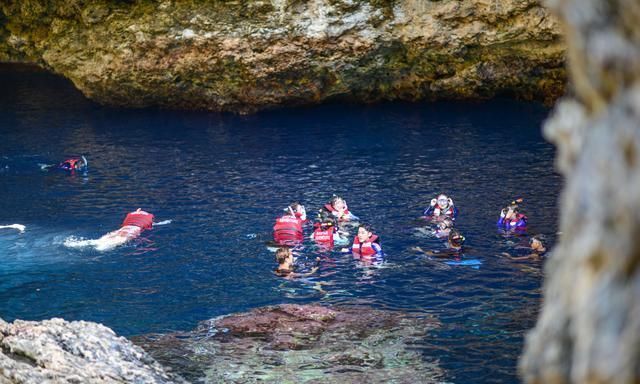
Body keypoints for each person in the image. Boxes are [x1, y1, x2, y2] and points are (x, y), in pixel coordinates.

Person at [65, 208, 156, 251]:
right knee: (122, 238)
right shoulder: (150, 217)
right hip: (133, 229)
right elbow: (150, 226)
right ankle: (103, 248)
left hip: (124, 227)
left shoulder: (130, 214)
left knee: (115, 234)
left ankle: (92, 242)